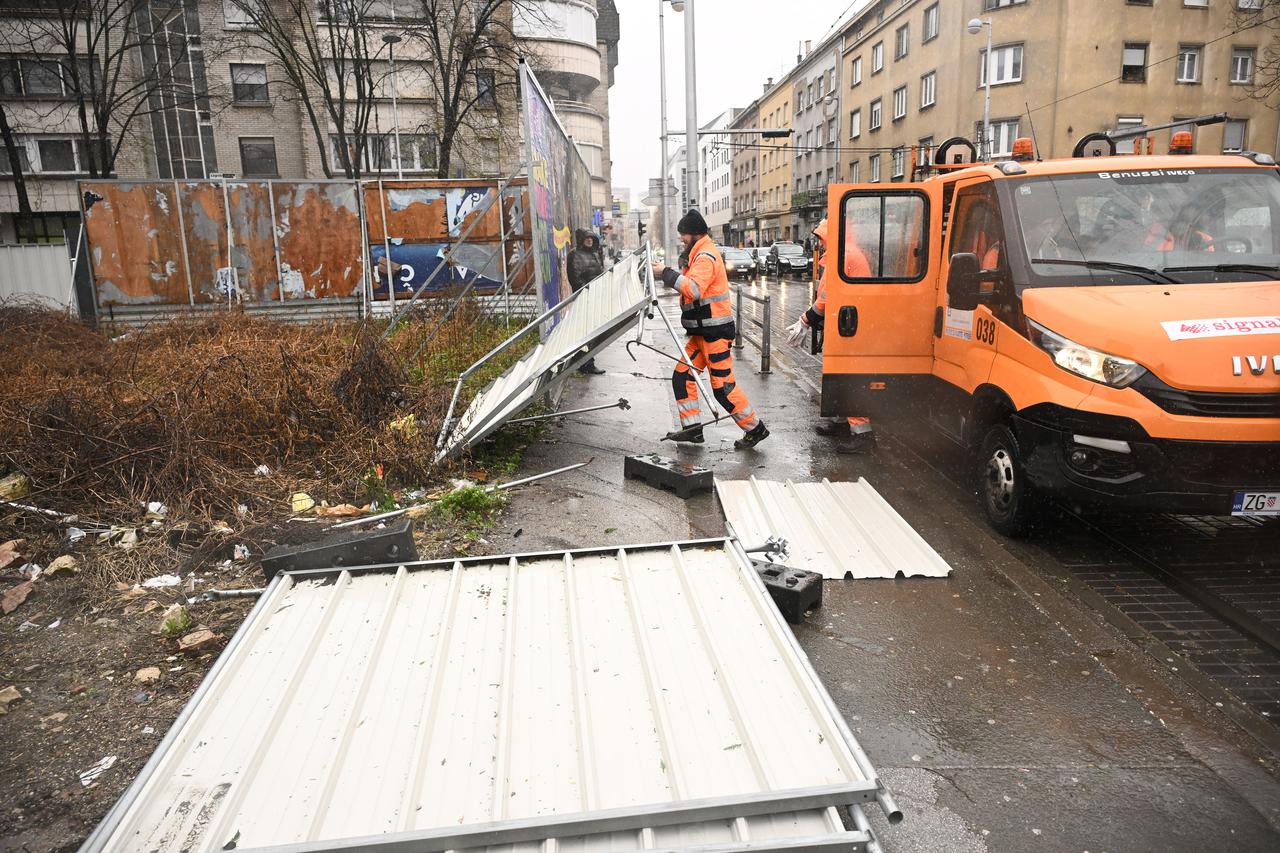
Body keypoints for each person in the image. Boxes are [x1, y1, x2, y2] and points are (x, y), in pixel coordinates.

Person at [651, 209, 769, 450]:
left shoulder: (705, 256)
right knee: (683, 377)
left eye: (683, 234)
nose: (681, 238)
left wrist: (666, 273)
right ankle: (693, 431)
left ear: (694, 233)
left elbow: (693, 289)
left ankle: (755, 429)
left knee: (723, 389)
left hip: (714, 334)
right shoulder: (698, 253)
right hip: (701, 333)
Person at [785, 218, 875, 453]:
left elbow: (827, 296)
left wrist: (806, 319)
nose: (821, 244)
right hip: (848, 321)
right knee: (840, 374)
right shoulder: (844, 252)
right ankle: (841, 423)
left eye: (822, 239)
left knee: (850, 377)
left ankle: (863, 437)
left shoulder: (844, 254)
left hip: (851, 324)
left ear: (831, 236)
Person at [567, 229, 606, 375]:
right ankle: (584, 363)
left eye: (592, 238)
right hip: (585, 298)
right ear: (581, 239)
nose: (590, 240)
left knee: (593, 331)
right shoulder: (574, 255)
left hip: (596, 297)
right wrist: (587, 292)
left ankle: (588, 362)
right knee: (584, 332)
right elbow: (575, 278)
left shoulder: (595, 253)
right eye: (587, 238)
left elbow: (600, 273)